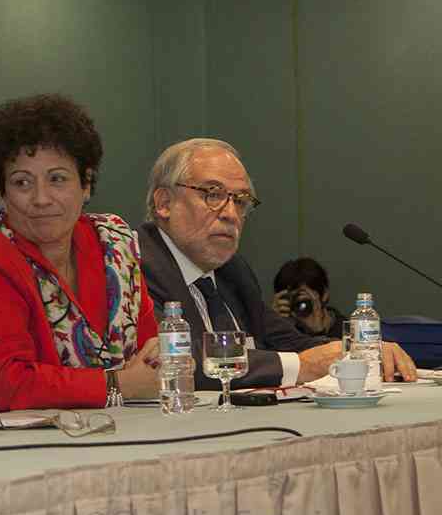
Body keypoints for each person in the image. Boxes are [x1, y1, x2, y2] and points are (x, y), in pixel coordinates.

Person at [138, 138, 415, 389]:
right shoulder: (134, 266)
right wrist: (301, 366)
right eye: (213, 194)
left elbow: (293, 343)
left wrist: (360, 350)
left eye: (241, 201)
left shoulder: (233, 271)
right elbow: (172, 357)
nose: (231, 214)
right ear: (164, 203)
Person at [0, 94, 160, 413]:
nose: (41, 198)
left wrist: (159, 358)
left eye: (57, 179)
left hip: (115, 433)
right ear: (1, 193)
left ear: (86, 184)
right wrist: (120, 384)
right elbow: (8, 385)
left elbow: (150, 351)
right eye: (22, 182)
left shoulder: (114, 244)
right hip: (9, 449)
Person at [271, 257, 344, 339]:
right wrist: (272, 323)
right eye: (294, 301)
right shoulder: (286, 331)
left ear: (324, 294)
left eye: (304, 300)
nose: (301, 307)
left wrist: (318, 332)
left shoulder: (347, 332)